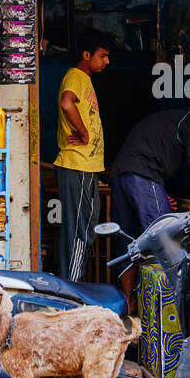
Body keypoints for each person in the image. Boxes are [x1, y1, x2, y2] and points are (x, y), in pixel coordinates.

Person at [107, 100, 190, 305]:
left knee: (128, 242)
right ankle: (171, 307)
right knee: (168, 240)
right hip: (143, 175)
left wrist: (155, 191)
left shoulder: (167, 119)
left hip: (121, 175)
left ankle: (130, 303)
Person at [54, 30, 113, 281]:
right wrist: (85, 134)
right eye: (103, 56)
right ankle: (72, 288)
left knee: (84, 227)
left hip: (85, 167)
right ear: (86, 55)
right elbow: (67, 104)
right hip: (77, 165)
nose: (107, 62)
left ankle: (72, 284)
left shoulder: (84, 79)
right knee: (80, 230)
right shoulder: (76, 76)